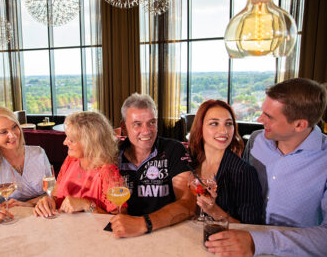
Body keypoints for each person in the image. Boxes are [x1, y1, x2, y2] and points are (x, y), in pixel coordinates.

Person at [206, 78, 327, 256]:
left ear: (299, 125)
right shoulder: (256, 140)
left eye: (269, 116)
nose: (259, 119)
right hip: (240, 245)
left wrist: (257, 242)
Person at [110, 93, 196, 238]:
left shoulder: (174, 150)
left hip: (165, 232)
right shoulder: (112, 155)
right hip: (121, 234)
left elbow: (189, 204)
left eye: (152, 122)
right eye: (137, 124)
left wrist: (143, 224)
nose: (146, 131)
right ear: (124, 127)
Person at [34, 111, 123, 217]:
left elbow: (120, 220)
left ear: (90, 143)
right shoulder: (71, 160)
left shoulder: (108, 172)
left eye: (71, 140)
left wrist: (87, 205)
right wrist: (48, 201)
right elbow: (55, 195)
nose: (65, 142)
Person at [188, 99, 263, 224]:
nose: (224, 131)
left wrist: (214, 211)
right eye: (214, 124)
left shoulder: (243, 172)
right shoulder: (191, 161)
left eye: (228, 124)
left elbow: (251, 228)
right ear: (200, 128)